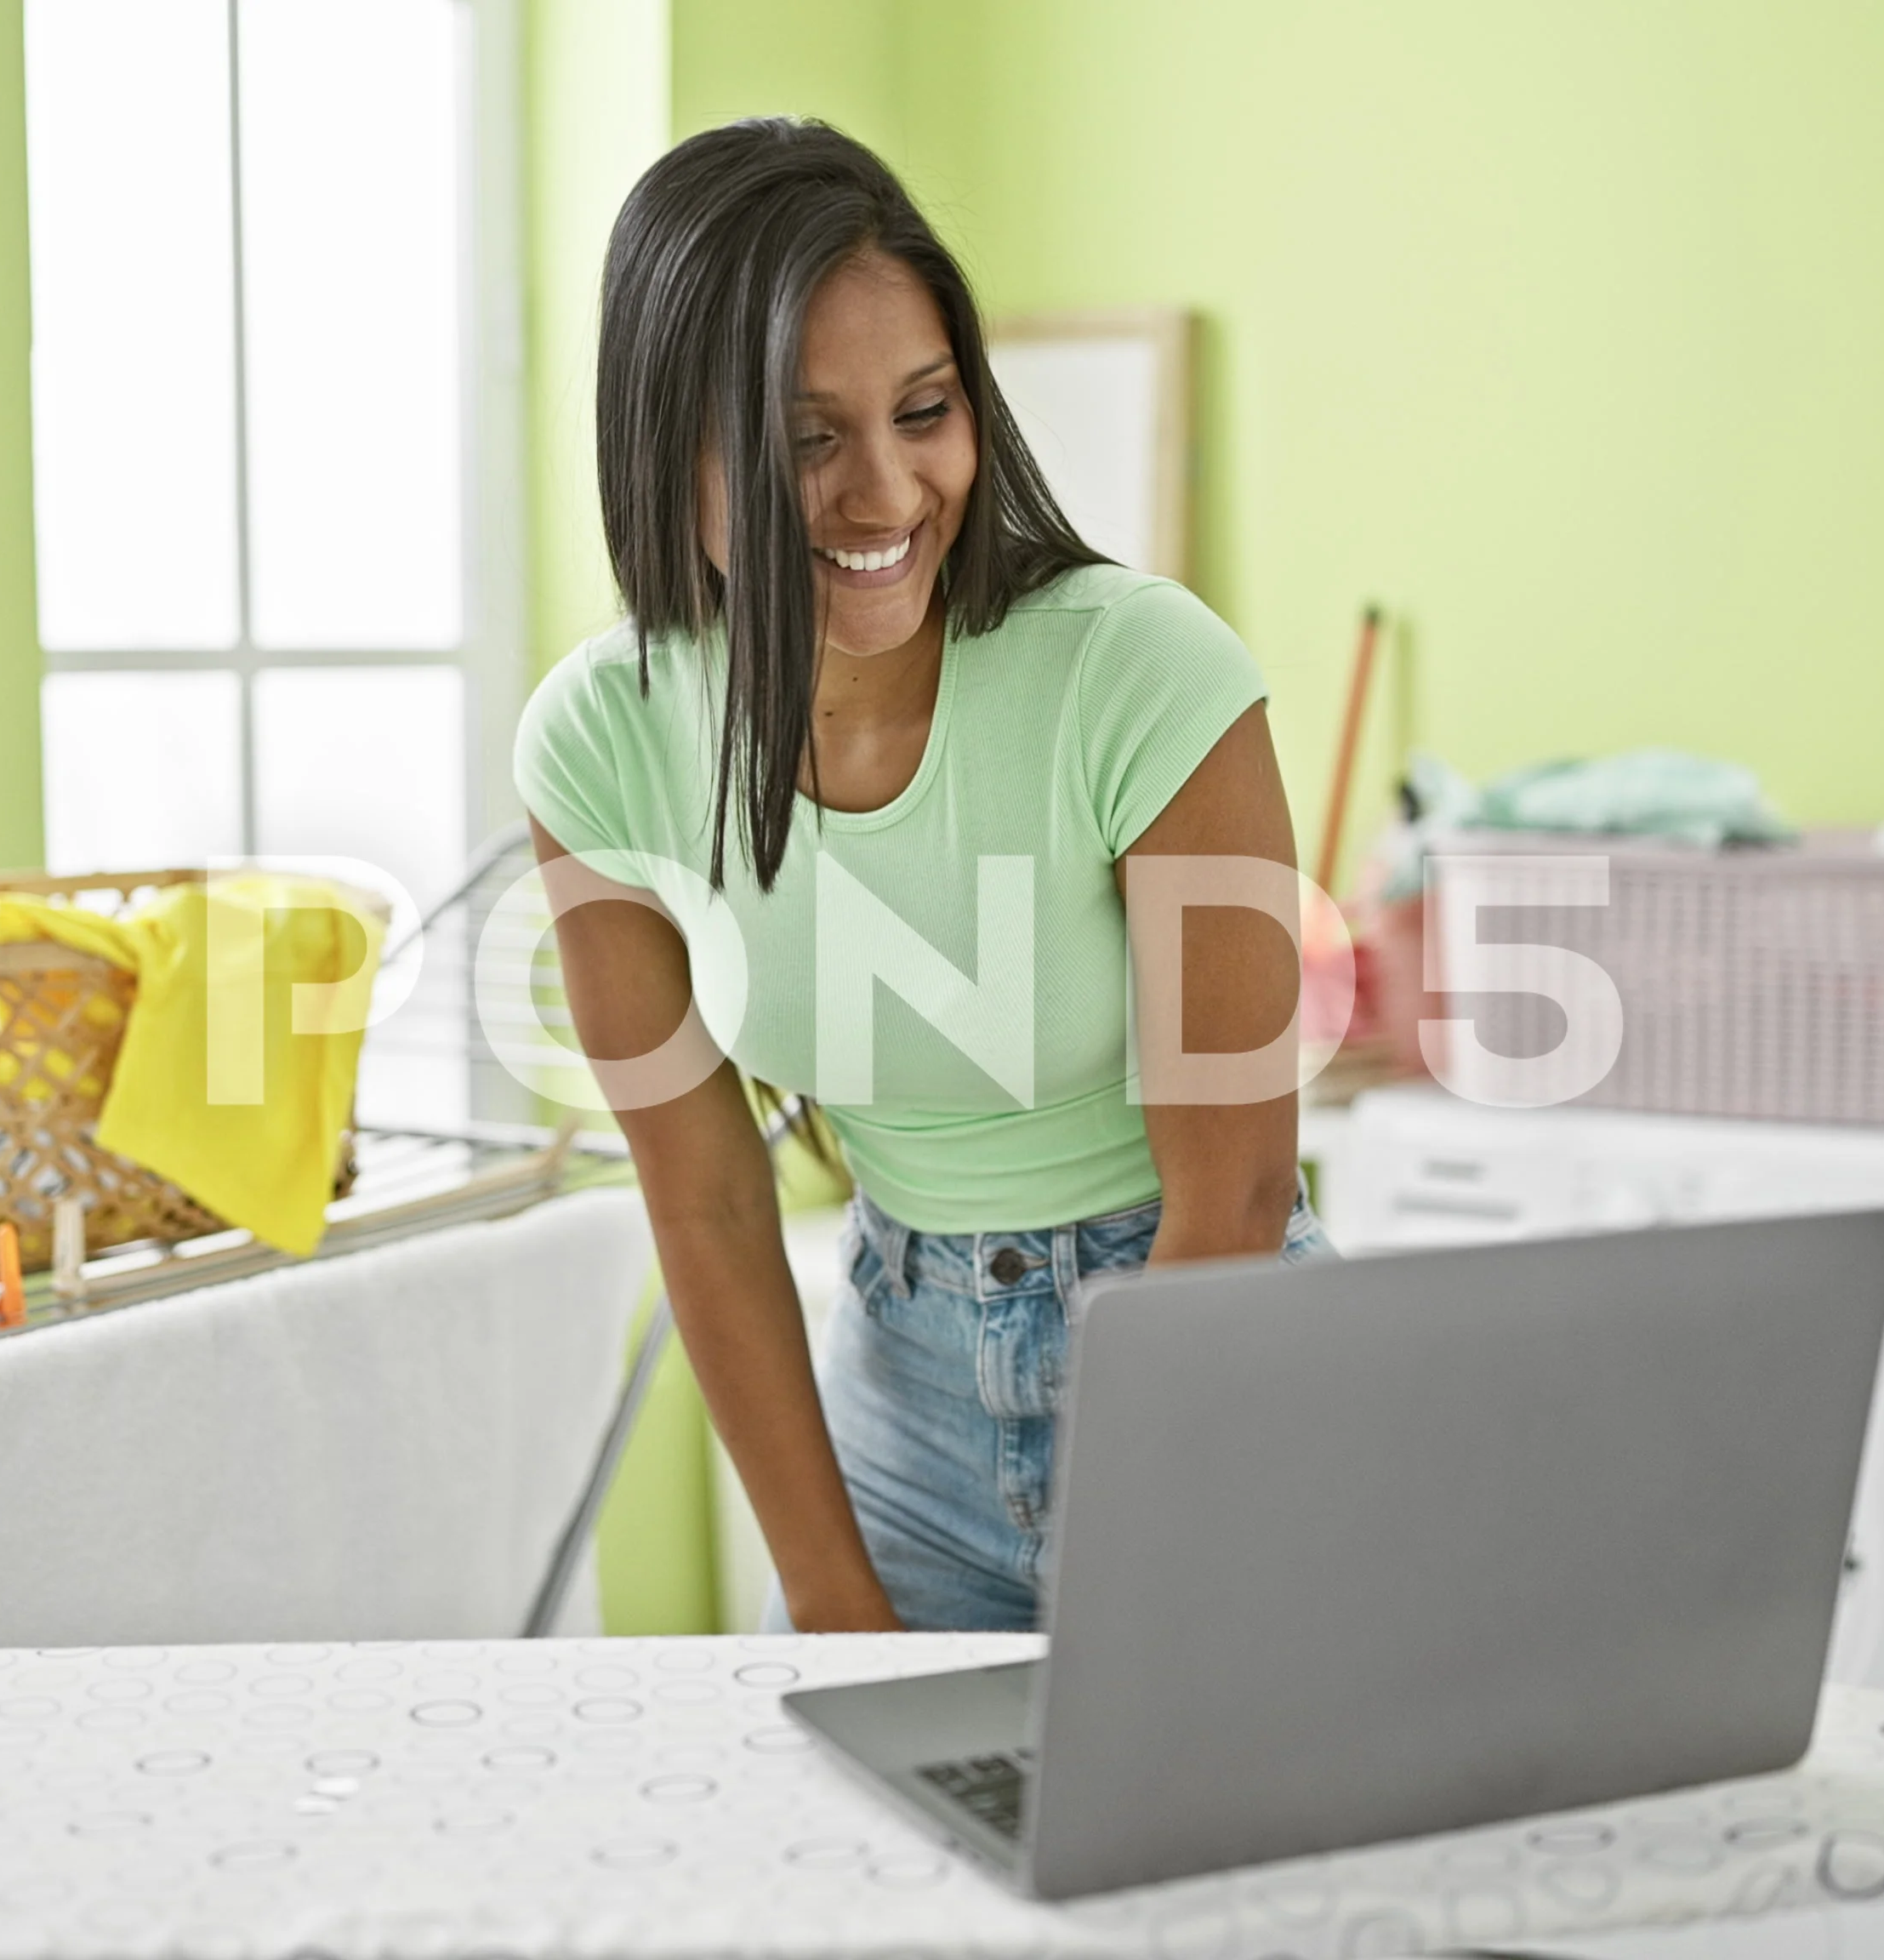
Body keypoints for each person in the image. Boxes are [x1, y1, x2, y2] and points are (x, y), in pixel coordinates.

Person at [515, 119, 1327, 1635]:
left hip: (1209, 1358)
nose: (885, 494)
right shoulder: (603, 745)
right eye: (807, 438)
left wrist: (1138, 1589)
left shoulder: (1139, 673)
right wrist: (833, 1598)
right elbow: (708, 1208)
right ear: (664, 444)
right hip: (902, 1405)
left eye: (925, 412)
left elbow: (1237, 1192)